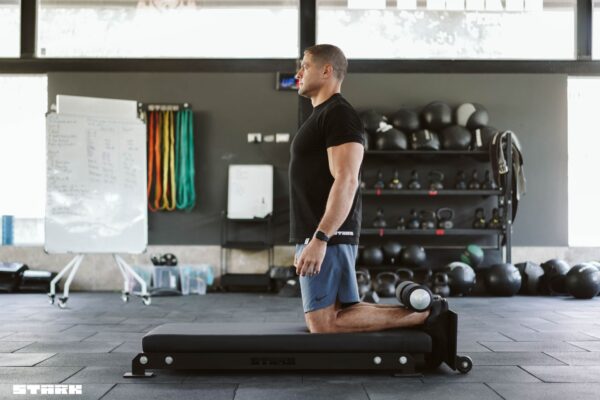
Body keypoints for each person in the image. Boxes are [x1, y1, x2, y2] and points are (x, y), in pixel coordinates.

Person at [289, 44, 446, 334]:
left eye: (305, 66)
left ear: (326, 70)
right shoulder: (323, 114)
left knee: (324, 324)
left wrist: (321, 238)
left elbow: (347, 179)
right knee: (336, 314)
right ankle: (426, 311)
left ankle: (427, 317)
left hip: (328, 234)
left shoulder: (338, 114)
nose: (298, 73)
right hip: (318, 232)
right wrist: (306, 239)